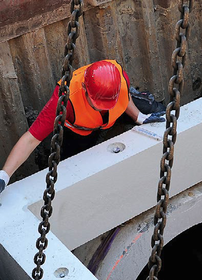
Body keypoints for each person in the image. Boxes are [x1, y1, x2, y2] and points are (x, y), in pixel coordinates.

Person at [0, 60, 165, 195]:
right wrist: (4, 175)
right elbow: (30, 139)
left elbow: (125, 96)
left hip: (115, 115)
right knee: (73, 172)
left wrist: (138, 117)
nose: (104, 107)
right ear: (85, 89)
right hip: (81, 131)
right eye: (100, 104)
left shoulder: (119, 78)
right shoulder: (65, 100)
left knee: (155, 111)